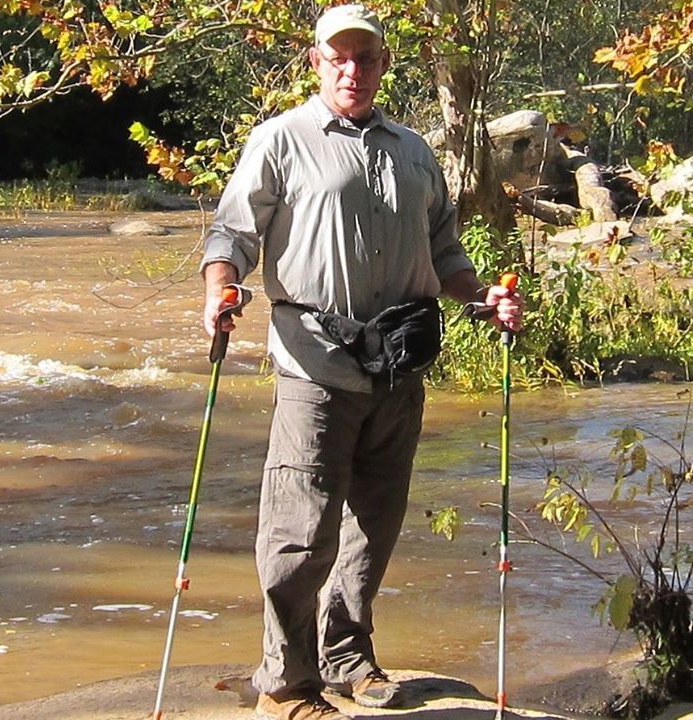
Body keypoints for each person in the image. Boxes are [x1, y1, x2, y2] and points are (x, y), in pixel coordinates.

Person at [200, 5, 524, 720]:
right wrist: (222, 288)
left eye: (366, 58)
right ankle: (286, 685)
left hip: (400, 365)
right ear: (315, 63)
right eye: (338, 57)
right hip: (315, 365)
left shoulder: (414, 151)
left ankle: (349, 659)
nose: (353, 70)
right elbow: (232, 232)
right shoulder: (280, 140)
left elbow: (445, 255)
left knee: (373, 526)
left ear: (382, 64)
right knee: (299, 531)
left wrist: (482, 301)